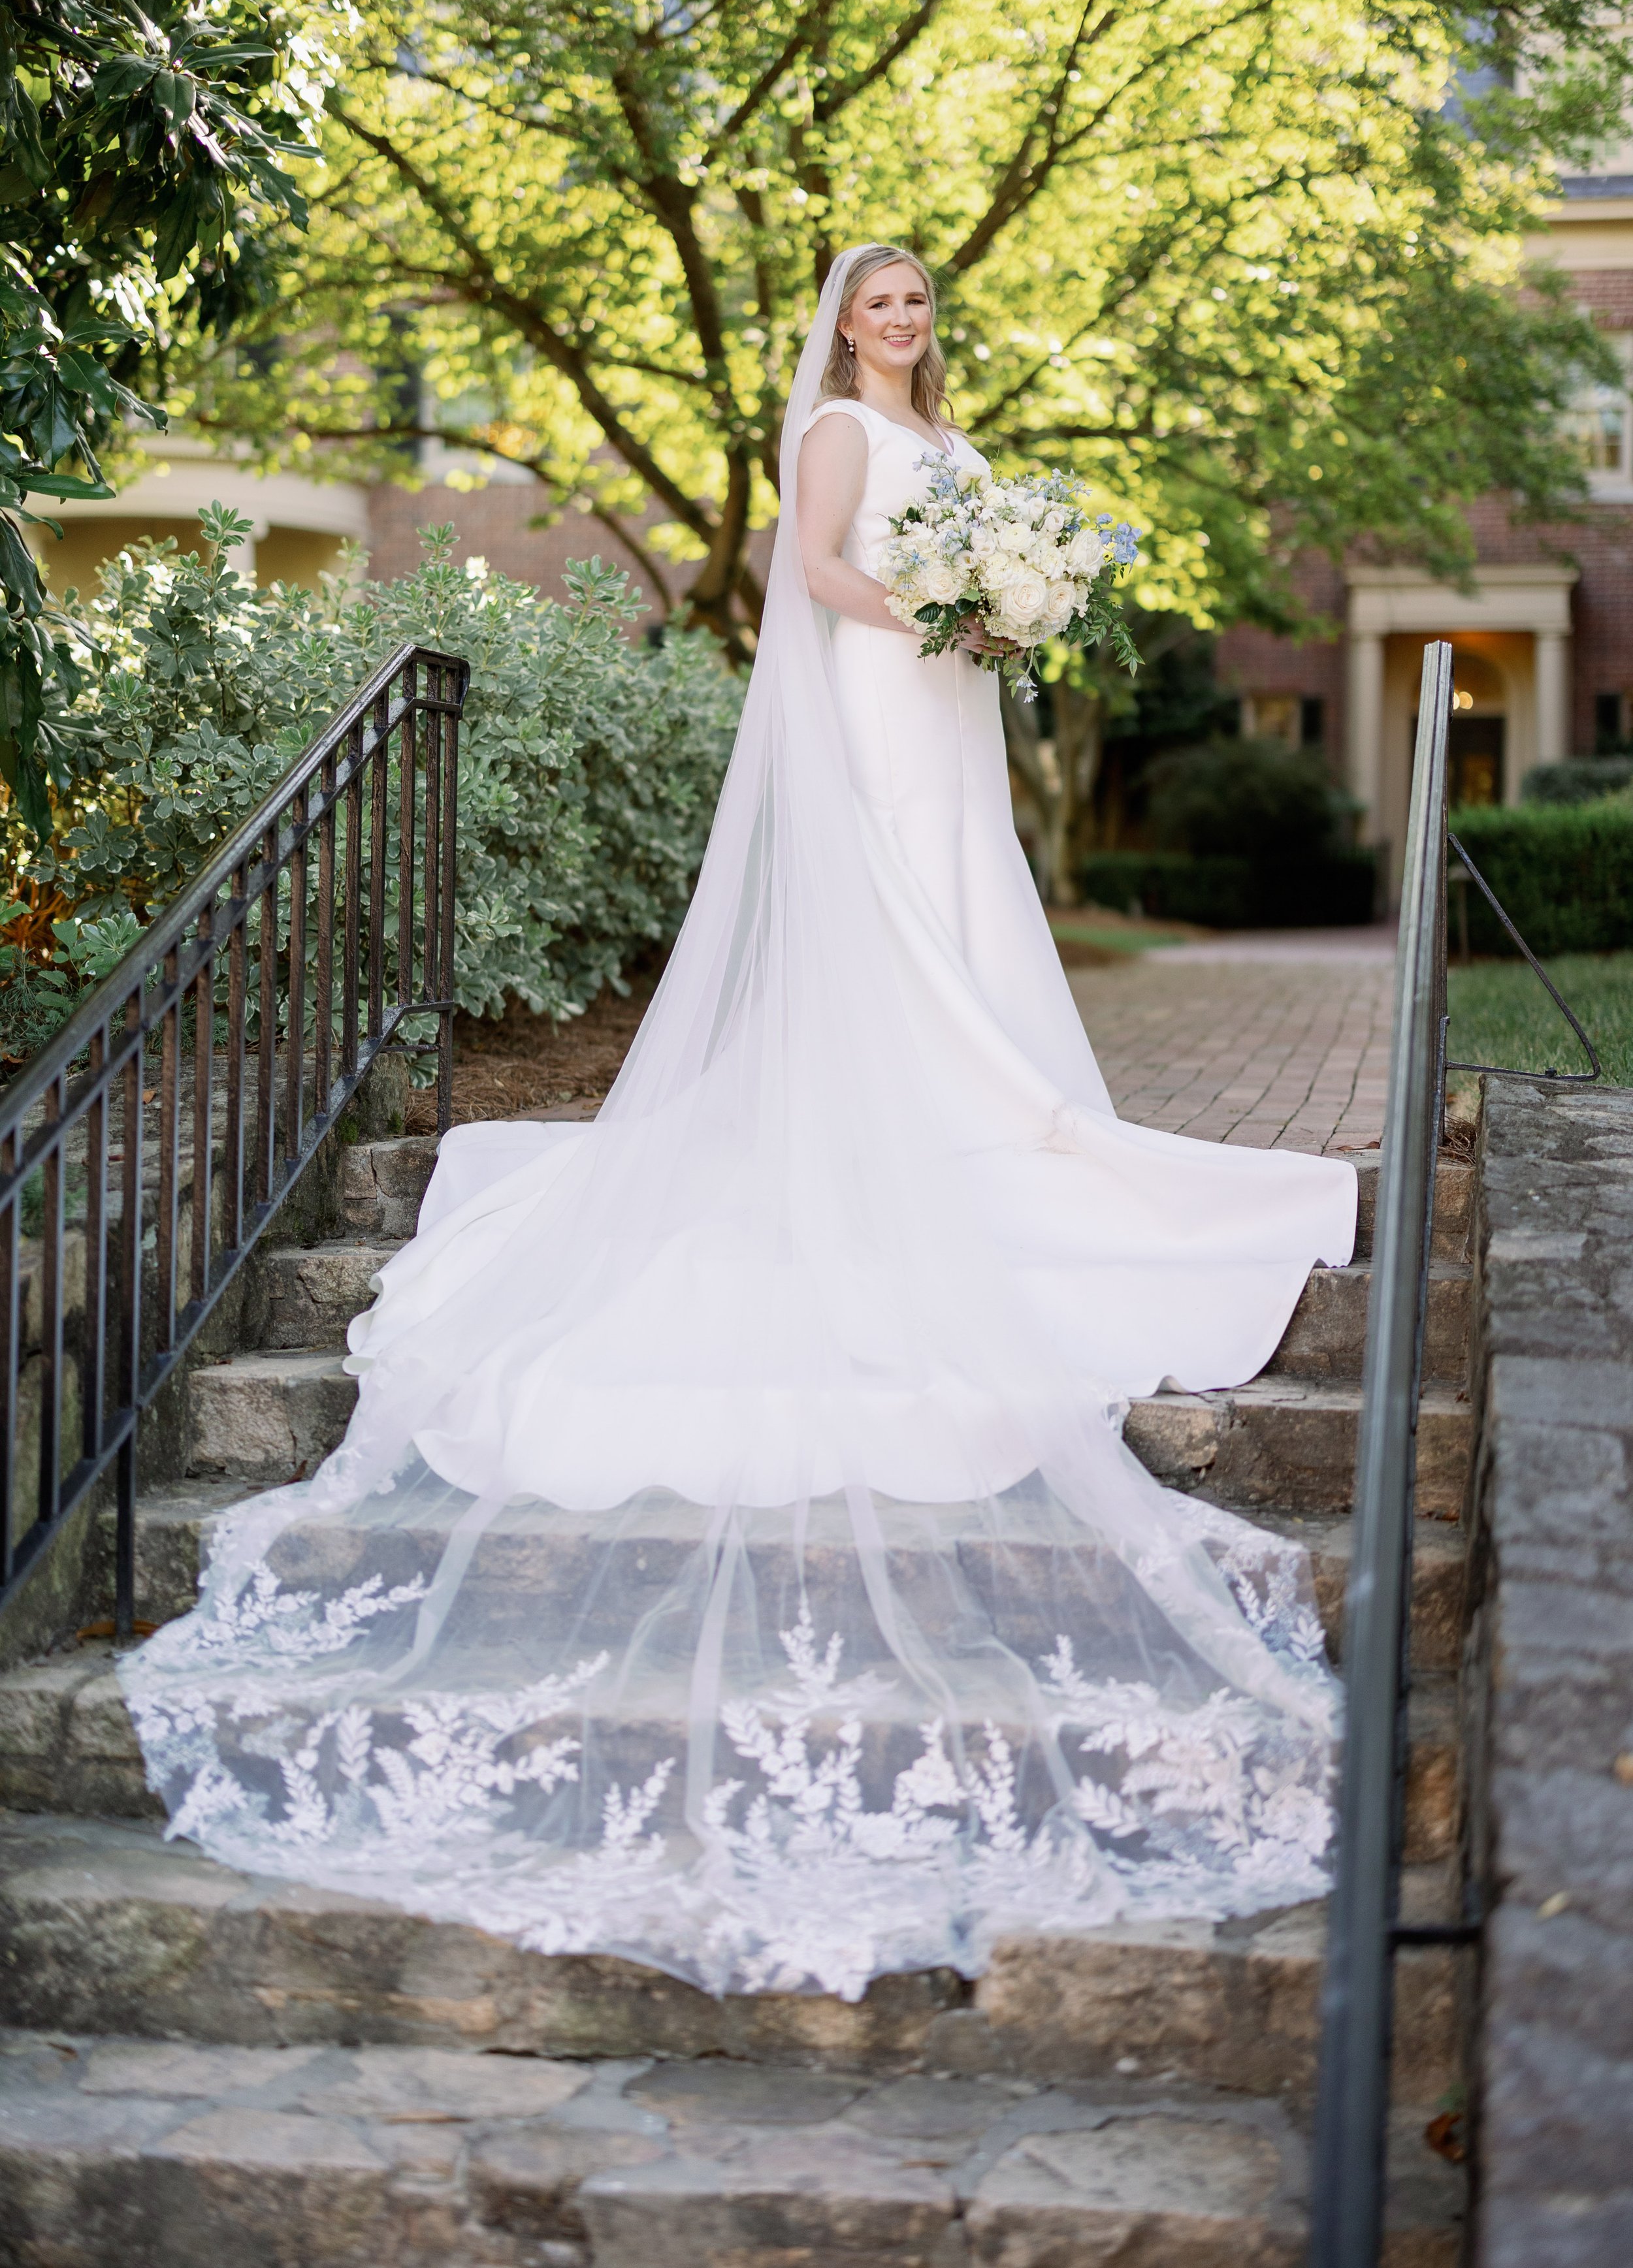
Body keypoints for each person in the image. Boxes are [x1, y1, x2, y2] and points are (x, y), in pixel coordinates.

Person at [121, 245, 1356, 2001]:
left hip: (945, 692)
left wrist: (1003, 616)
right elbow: (816, 577)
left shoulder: (956, 430)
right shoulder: (842, 427)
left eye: (920, 304)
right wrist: (944, 616)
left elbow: (940, 574)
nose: (901, 325)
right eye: (880, 304)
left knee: (961, 894)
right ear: (846, 325)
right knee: (895, 913)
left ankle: (977, 1116)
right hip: (877, 691)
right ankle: (917, 1123)